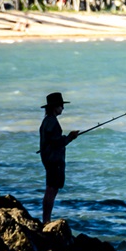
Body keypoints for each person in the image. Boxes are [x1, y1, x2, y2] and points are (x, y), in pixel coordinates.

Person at [39, 92, 79, 224]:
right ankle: (46, 220)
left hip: (50, 159)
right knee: (51, 189)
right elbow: (57, 142)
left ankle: (46, 219)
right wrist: (70, 137)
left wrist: (68, 137)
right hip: (54, 160)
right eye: (61, 105)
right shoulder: (51, 122)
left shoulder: (47, 121)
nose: (63, 108)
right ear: (55, 107)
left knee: (50, 188)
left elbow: (52, 141)